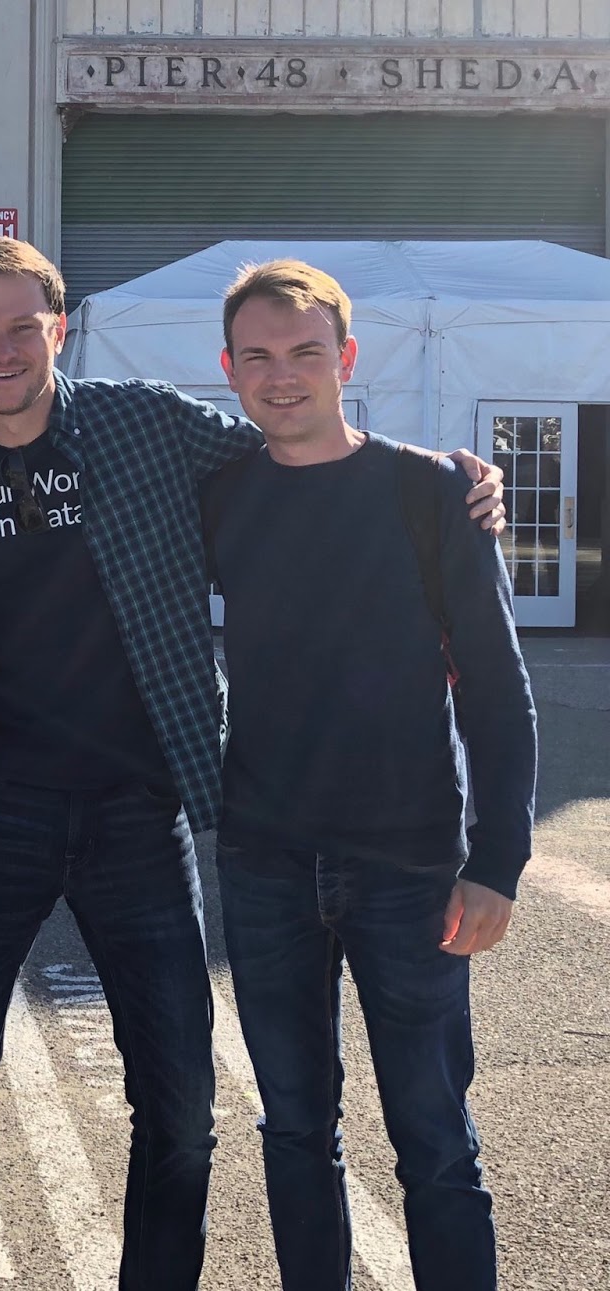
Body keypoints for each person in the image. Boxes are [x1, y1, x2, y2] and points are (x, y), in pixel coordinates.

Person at [0, 237, 505, 1291]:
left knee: (179, 1105)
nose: (1, 349)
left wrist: (448, 477)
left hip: (141, 807)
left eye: (20, 325)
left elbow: (302, 446)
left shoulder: (143, 423)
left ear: (58, 325)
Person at [207, 259, 536, 1291]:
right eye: (257, 356)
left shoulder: (428, 489)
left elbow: (497, 689)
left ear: (344, 358)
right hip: (263, 862)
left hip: (409, 864)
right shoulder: (215, 492)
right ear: (228, 370)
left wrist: (498, 862)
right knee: (295, 1127)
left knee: (435, 1139)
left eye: (305, 351)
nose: (282, 375)